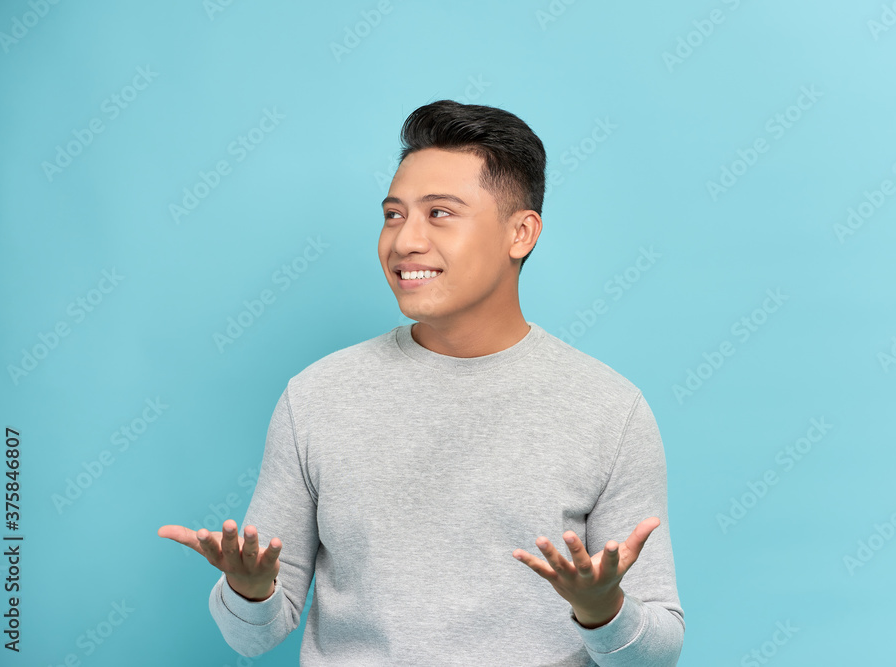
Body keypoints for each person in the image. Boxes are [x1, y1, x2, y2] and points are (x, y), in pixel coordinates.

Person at [158, 99, 685, 666]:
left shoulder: (608, 409)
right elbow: (253, 636)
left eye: (439, 213)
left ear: (521, 233)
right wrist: (249, 590)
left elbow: (654, 656)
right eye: (393, 214)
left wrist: (603, 609)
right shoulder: (317, 396)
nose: (404, 240)